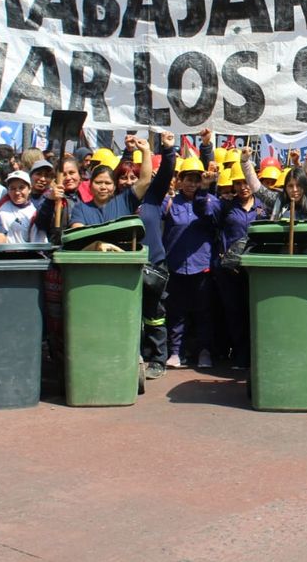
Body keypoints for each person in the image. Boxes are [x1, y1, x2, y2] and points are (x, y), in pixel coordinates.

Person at [162, 154, 221, 369]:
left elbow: (207, 214)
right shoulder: (169, 202)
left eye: (197, 179)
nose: (193, 183)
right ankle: (176, 351)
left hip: (202, 266)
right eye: (189, 178)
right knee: (176, 312)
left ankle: (204, 351)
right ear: (180, 179)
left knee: (203, 311)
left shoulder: (211, 201)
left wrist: (205, 189)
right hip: (176, 266)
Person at [213, 164, 264, 370]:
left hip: (258, 270)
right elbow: (205, 210)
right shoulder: (225, 206)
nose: (243, 187)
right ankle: (241, 357)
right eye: (238, 183)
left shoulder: (264, 206)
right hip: (230, 271)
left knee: (256, 313)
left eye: (246, 182)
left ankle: (258, 355)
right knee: (235, 313)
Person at [137, 132, 177, 380]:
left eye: (136, 174)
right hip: (125, 267)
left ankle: (157, 358)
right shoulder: (119, 203)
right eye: (126, 176)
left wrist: (167, 149)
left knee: (155, 315)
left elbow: (165, 173)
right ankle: (136, 355)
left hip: (155, 266)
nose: (132, 179)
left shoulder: (152, 199)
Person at [68, 137, 154, 228]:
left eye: (108, 183)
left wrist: (146, 151)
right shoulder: (80, 209)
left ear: (114, 186)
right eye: (98, 182)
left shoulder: (125, 201)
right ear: (90, 185)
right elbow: (79, 231)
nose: (103, 187)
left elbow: (145, 181)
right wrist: (100, 242)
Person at [0, 171, 46, 244]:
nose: (17, 192)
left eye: (21, 188)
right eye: (13, 188)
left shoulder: (33, 214)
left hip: (22, 253)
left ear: (29, 189)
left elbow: (38, 243)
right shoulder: (1, 203)